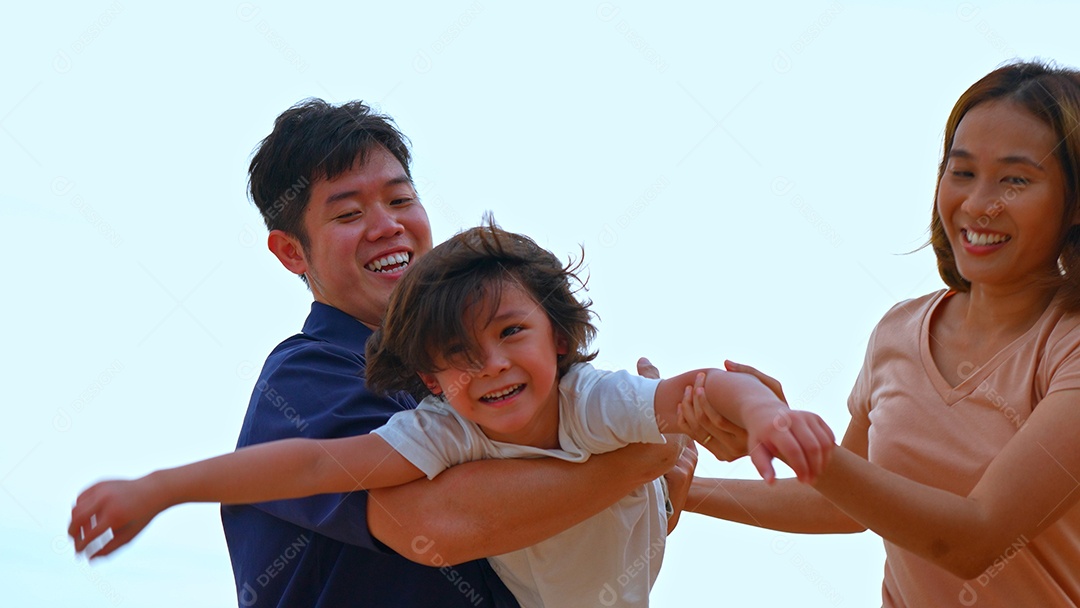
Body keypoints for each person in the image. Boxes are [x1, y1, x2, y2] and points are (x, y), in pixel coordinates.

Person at [70, 99, 702, 608]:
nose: (387, 226)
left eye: (400, 200)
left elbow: (556, 530)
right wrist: (646, 451)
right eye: (348, 212)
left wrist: (680, 464)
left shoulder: (473, 381)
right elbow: (438, 527)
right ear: (292, 253)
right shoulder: (310, 374)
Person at [69, 222, 836, 607]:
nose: (492, 365)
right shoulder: (442, 430)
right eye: (460, 356)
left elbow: (702, 389)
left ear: (561, 339)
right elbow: (309, 462)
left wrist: (764, 415)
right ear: (429, 380)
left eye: (511, 335)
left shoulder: (592, 399)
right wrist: (159, 488)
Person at [681, 60, 1080, 607]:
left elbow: (979, 539)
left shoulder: (1070, 345)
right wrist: (680, 489)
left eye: (1015, 179)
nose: (978, 203)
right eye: (961, 171)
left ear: (1075, 202)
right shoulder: (898, 329)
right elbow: (843, 504)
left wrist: (792, 439)